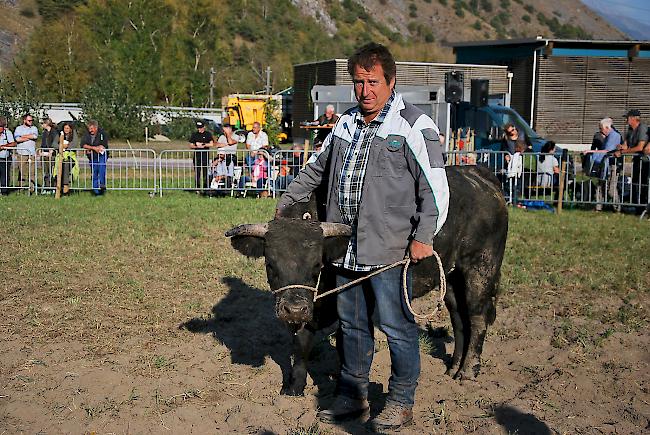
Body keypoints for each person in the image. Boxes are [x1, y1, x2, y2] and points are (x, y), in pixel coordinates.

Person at [276, 42, 449, 432]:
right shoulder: (345, 124)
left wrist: (424, 235)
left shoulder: (414, 126)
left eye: (372, 82)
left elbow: (435, 190)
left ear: (390, 81)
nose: (365, 91)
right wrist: (286, 202)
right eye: (358, 82)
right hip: (343, 247)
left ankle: (401, 399)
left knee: (397, 326)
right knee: (351, 326)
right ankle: (353, 394)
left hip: (388, 251)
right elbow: (316, 170)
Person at [586, 118, 622, 211]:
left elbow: (607, 151)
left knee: (611, 188)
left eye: (601, 129)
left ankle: (617, 208)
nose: (601, 131)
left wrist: (590, 151)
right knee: (600, 185)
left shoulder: (614, 136)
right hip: (604, 164)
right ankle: (598, 207)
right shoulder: (608, 137)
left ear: (607, 127)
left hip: (612, 165)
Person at [616, 109, 649, 206]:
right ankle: (635, 205)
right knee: (635, 182)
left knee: (642, 183)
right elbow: (625, 145)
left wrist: (622, 152)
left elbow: (640, 147)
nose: (626, 120)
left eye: (627, 118)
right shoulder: (630, 130)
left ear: (633, 118)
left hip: (645, 161)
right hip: (637, 161)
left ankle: (643, 205)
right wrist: (621, 147)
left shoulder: (642, 128)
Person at [81, 119, 109, 196]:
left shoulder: (102, 133)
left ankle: (102, 186)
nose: (90, 130)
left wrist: (93, 148)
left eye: (92, 129)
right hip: (92, 156)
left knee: (101, 168)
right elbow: (83, 144)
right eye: (89, 129)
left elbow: (103, 145)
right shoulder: (86, 134)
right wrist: (93, 148)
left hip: (101, 155)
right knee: (94, 172)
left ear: (96, 128)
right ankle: (95, 190)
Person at [13, 114, 39, 192]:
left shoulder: (34, 128)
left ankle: (32, 188)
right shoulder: (18, 128)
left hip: (32, 153)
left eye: (31, 120)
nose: (31, 122)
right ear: (24, 120)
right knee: (22, 172)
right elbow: (17, 139)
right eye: (29, 120)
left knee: (32, 172)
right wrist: (29, 137)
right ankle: (21, 188)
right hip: (21, 153)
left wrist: (23, 136)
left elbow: (35, 136)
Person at [53, 122, 80, 195]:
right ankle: (58, 187)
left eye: (68, 128)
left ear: (71, 129)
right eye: (65, 128)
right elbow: (54, 144)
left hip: (70, 156)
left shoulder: (74, 135)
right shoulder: (60, 135)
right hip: (60, 155)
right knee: (58, 168)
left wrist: (67, 146)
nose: (66, 130)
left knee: (66, 166)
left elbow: (74, 144)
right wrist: (60, 146)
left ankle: (65, 186)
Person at [188, 120, 214, 191]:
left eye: (201, 127)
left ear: (204, 127)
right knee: (197, 173)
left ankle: (206, 188)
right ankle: (197, 188)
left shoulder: (208, 134)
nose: (199, 129)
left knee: (206, 173)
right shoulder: (194, 134)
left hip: (205, 156)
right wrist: (197, 146)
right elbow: (191, 145)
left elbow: (211, 144)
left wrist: (204, 145)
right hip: (197, 156)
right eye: (198, 128)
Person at [39, 118, 60, 190]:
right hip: (44, 154)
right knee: (46, 172)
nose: (42, 125)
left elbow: (56, 143)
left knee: (53, 172)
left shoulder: (54, 132)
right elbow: (43, 143)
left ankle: (53, 187)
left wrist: (52, 150)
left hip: (52, 155)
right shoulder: (44, 133)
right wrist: (40, 150)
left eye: (42, 123)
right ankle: (46, 187)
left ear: (46, 124)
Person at [0, 116, 16, 195]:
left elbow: (13, 143)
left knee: (5, 175)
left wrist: (3, 147)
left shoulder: (8, 133)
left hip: (5, 158)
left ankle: (4, 191)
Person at [507, 139, 526, 205]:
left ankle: (515, 201)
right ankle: (514, 201)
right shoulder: (516, 155)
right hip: (515, 175)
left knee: (516, 189)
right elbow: (514, 165)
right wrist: (513, 173)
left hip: (517, 175)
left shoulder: (518, 156)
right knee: (515, 189)